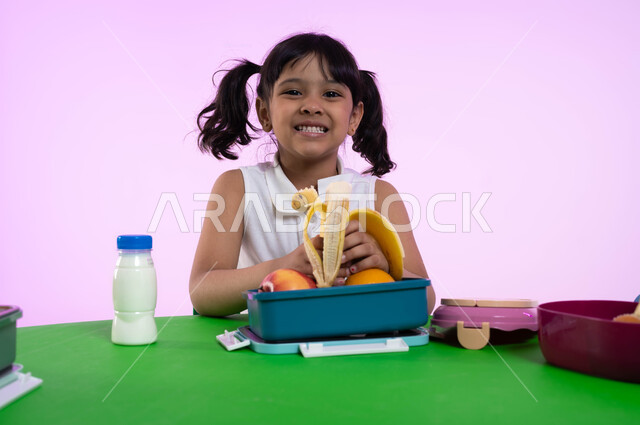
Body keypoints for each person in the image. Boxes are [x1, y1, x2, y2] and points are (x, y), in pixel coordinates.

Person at [190, 33, 435, 316]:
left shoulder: (378, 195)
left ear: (354, 117)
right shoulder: (238, 187)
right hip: (264, 351)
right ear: (265, 112)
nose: (311, 105)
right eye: (293, 92)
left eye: (331, 94)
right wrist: (282, 267)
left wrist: (387, 268)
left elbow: (425, 301)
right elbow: (202, 291)